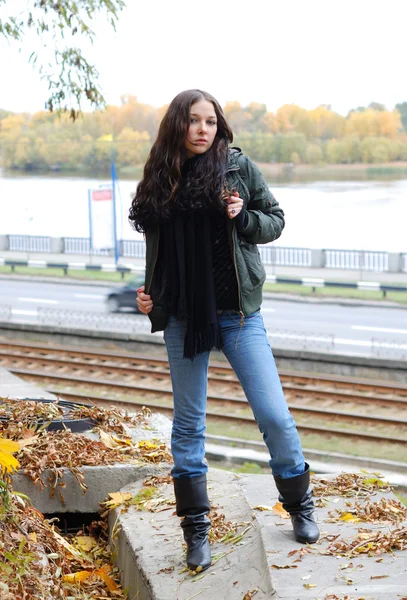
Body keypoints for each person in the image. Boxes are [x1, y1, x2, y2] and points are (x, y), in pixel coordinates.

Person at [129, 89, 319, 572]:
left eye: (210, 121)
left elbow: (274, 220)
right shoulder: (159, 180)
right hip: (182, 317)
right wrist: (148, 294)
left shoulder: (237, 168)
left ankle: (299, 504)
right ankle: (196, 530)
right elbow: (158, 255)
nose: (203, 130)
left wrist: (242, 217)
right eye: (193, 121)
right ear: (178, 125)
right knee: (189, 425)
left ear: (219, 126)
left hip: (238, 313)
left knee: (274, 415)